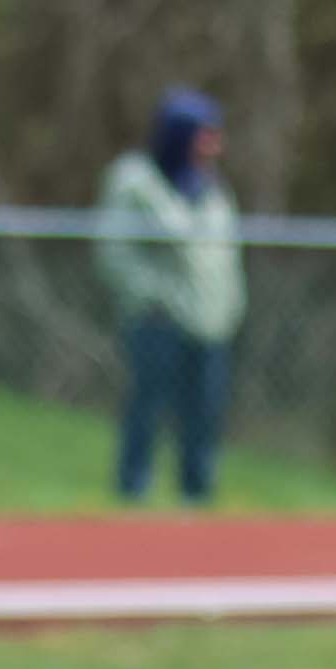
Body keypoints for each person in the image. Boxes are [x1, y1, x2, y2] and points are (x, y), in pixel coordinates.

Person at [94, 86, 246, 506]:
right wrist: (152, 299)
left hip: (211, 321)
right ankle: (133, 490)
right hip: (158, 320)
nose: (214, 145)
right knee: (147, 407)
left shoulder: (212, 188)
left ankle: (196, 497)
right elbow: (115, 253)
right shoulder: (136, 183)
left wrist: (230, 305)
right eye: (205, 134)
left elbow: (223, 255)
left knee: (204, 413)